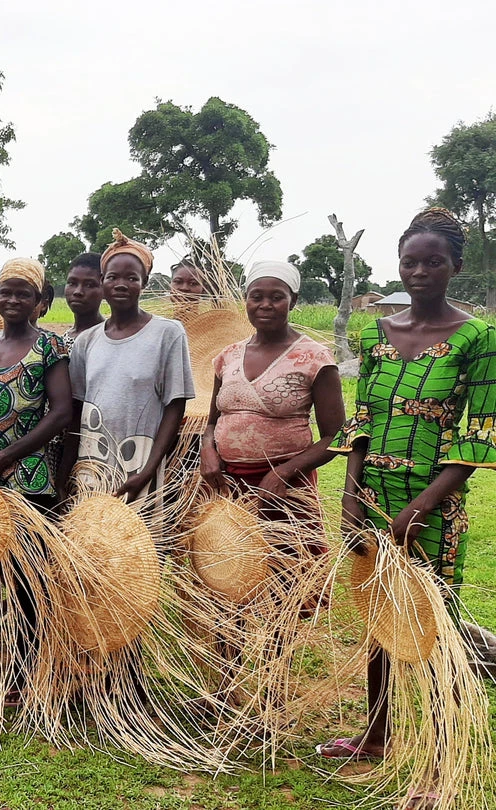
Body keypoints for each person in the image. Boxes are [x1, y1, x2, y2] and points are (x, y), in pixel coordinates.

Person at [317, 208, 496, 786]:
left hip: (433, 505)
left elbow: (482, 432)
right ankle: (376, 732)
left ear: (455, 268)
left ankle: (445, 746)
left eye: (433, 262)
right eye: (410, 262)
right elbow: (361, 422)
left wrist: (422, 507)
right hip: (371, 499)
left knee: (434, 622)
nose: (420, 272)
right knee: (378, 617)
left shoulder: (479, 338)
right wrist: (350, 495)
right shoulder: (377, 334)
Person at [64, 229, 194, 505]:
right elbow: (76, 411)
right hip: (92, 466)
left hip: (139, 465)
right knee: (92, 541)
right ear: (102, 282)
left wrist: (148, 470)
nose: (121, 284)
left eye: (131, 278)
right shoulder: (86, 341)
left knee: (138, 545)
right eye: (112, 277)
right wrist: (67, 473)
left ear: (144, 282)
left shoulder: (167, 333)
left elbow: (175, 406)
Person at [200, 260, 344, 506]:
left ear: (294, 301)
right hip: (225, 484)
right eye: (256, 297)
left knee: (287, 546)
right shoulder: (228, 356)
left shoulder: (315, 358)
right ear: (246, 300)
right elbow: (213, 422)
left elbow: (337, 436)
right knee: (228, 545)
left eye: (277, 297)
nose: (265, 305)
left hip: (285, 489)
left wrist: (284, 472)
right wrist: (207, 450)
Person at [0, 257, 71, 511]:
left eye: (23, 294)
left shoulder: (48, 346)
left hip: (24, 475)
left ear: (38, 300)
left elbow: (62, 413)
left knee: (21, 548)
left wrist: (6, 456)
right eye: (6, 292)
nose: (13, 300)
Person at [62, 253, 104, 348]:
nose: (78, 292)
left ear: (105, 289)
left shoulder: (109, 338)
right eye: (72, 283)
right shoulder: (62, 340)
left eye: (89, 285)